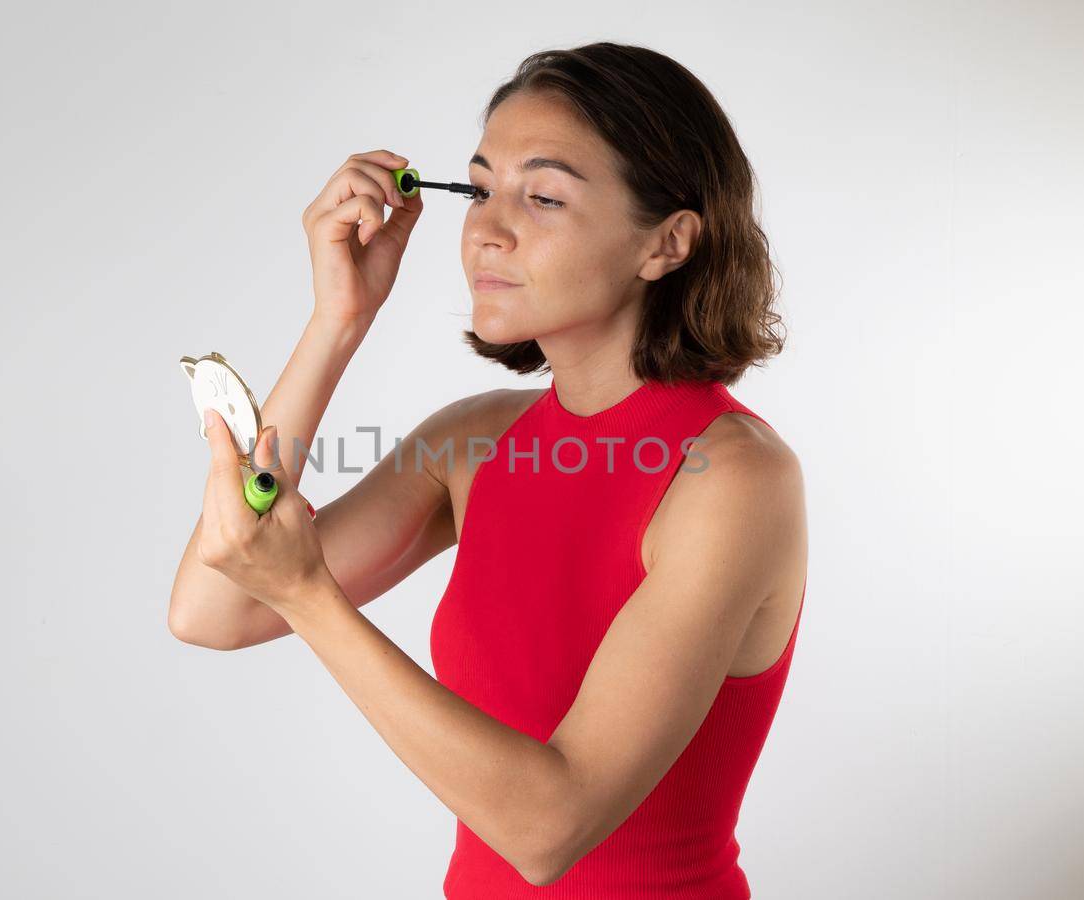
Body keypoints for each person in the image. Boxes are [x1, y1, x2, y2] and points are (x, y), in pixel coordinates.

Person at [168, 41, 807, 899]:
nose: (487, 228)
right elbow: (215, 608)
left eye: (542, 196)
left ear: (667, 243)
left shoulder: (732, 477)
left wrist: (309, 594)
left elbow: (550, 830)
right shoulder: (473, 443)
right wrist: (338, 320)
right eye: (478, 189)